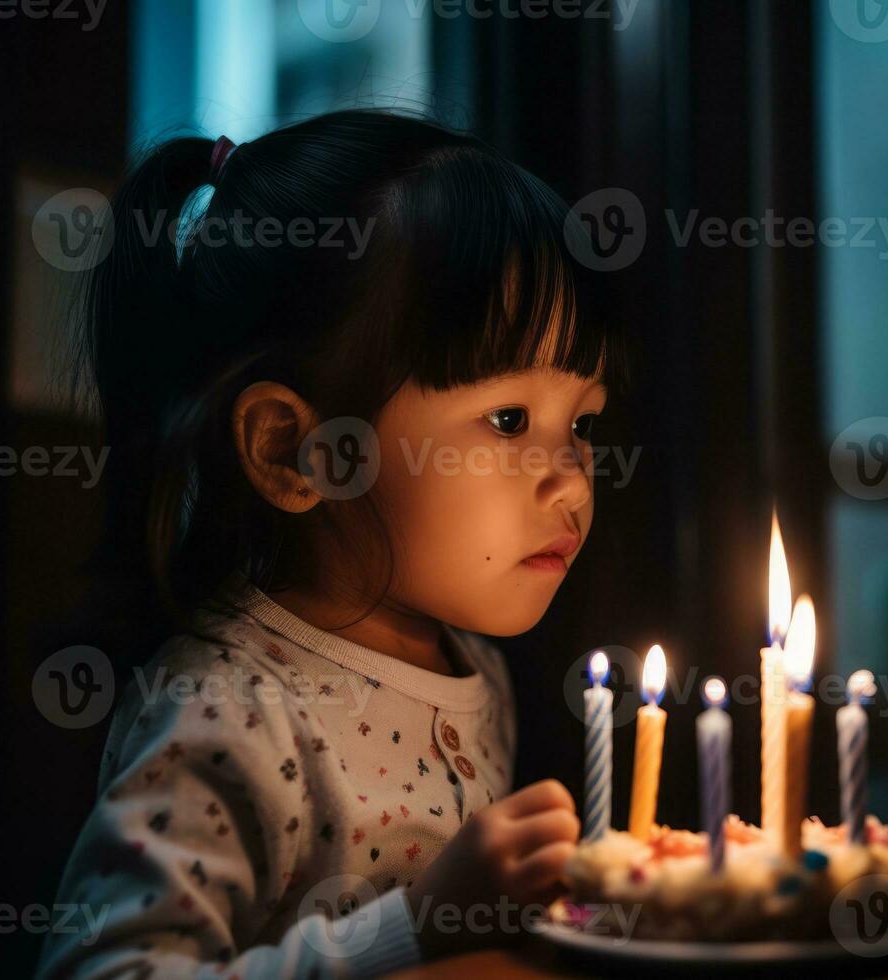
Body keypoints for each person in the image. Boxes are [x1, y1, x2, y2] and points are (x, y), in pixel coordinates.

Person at [37, 108, 630, 978]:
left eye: (582, 423)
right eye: (509, 419)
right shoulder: (228, 711)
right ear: (294, 451)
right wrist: (408, 930)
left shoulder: (473, 666)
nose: (574, 478)